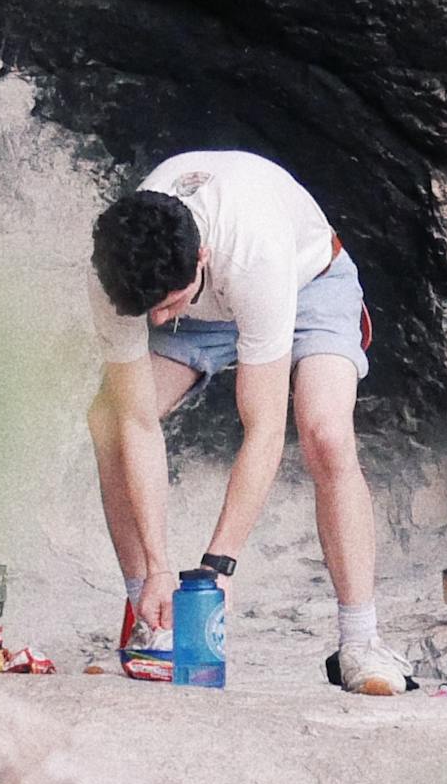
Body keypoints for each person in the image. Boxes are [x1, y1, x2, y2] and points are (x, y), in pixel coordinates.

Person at [86, 148, 413, 696]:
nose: (158, 322)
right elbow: (137, 422)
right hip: (199, 302)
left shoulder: (252, 249)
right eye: (150, 314)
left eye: (165, 306)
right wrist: (163, 568)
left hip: (306, 283)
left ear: (202, 256)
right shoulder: (119, 276)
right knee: (108, 423)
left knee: (325, 434)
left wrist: (218, 566)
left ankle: (361, 641)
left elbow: (263, 427)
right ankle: (152, 619)